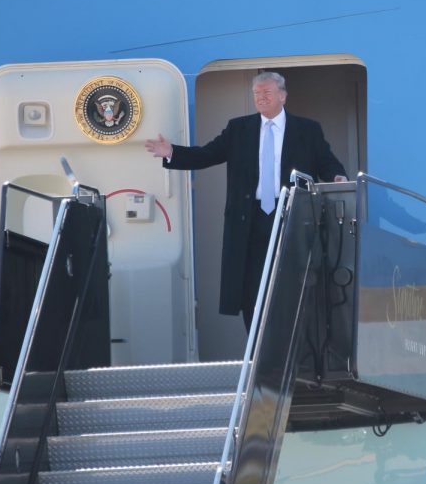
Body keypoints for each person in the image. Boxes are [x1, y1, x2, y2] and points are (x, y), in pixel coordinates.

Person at [145, 72, 347, 331]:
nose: (261, 98)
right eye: (256, 94)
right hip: (249, 219)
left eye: (267, 93)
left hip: (290, 216)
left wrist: (338, 176)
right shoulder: (239, 128)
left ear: (282, 96)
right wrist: (173, 152)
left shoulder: (307, 129)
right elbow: (208, 154)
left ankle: (291, 348)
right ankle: (256, 350)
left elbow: (325, 162)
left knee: (291, 282)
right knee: (251, 288)